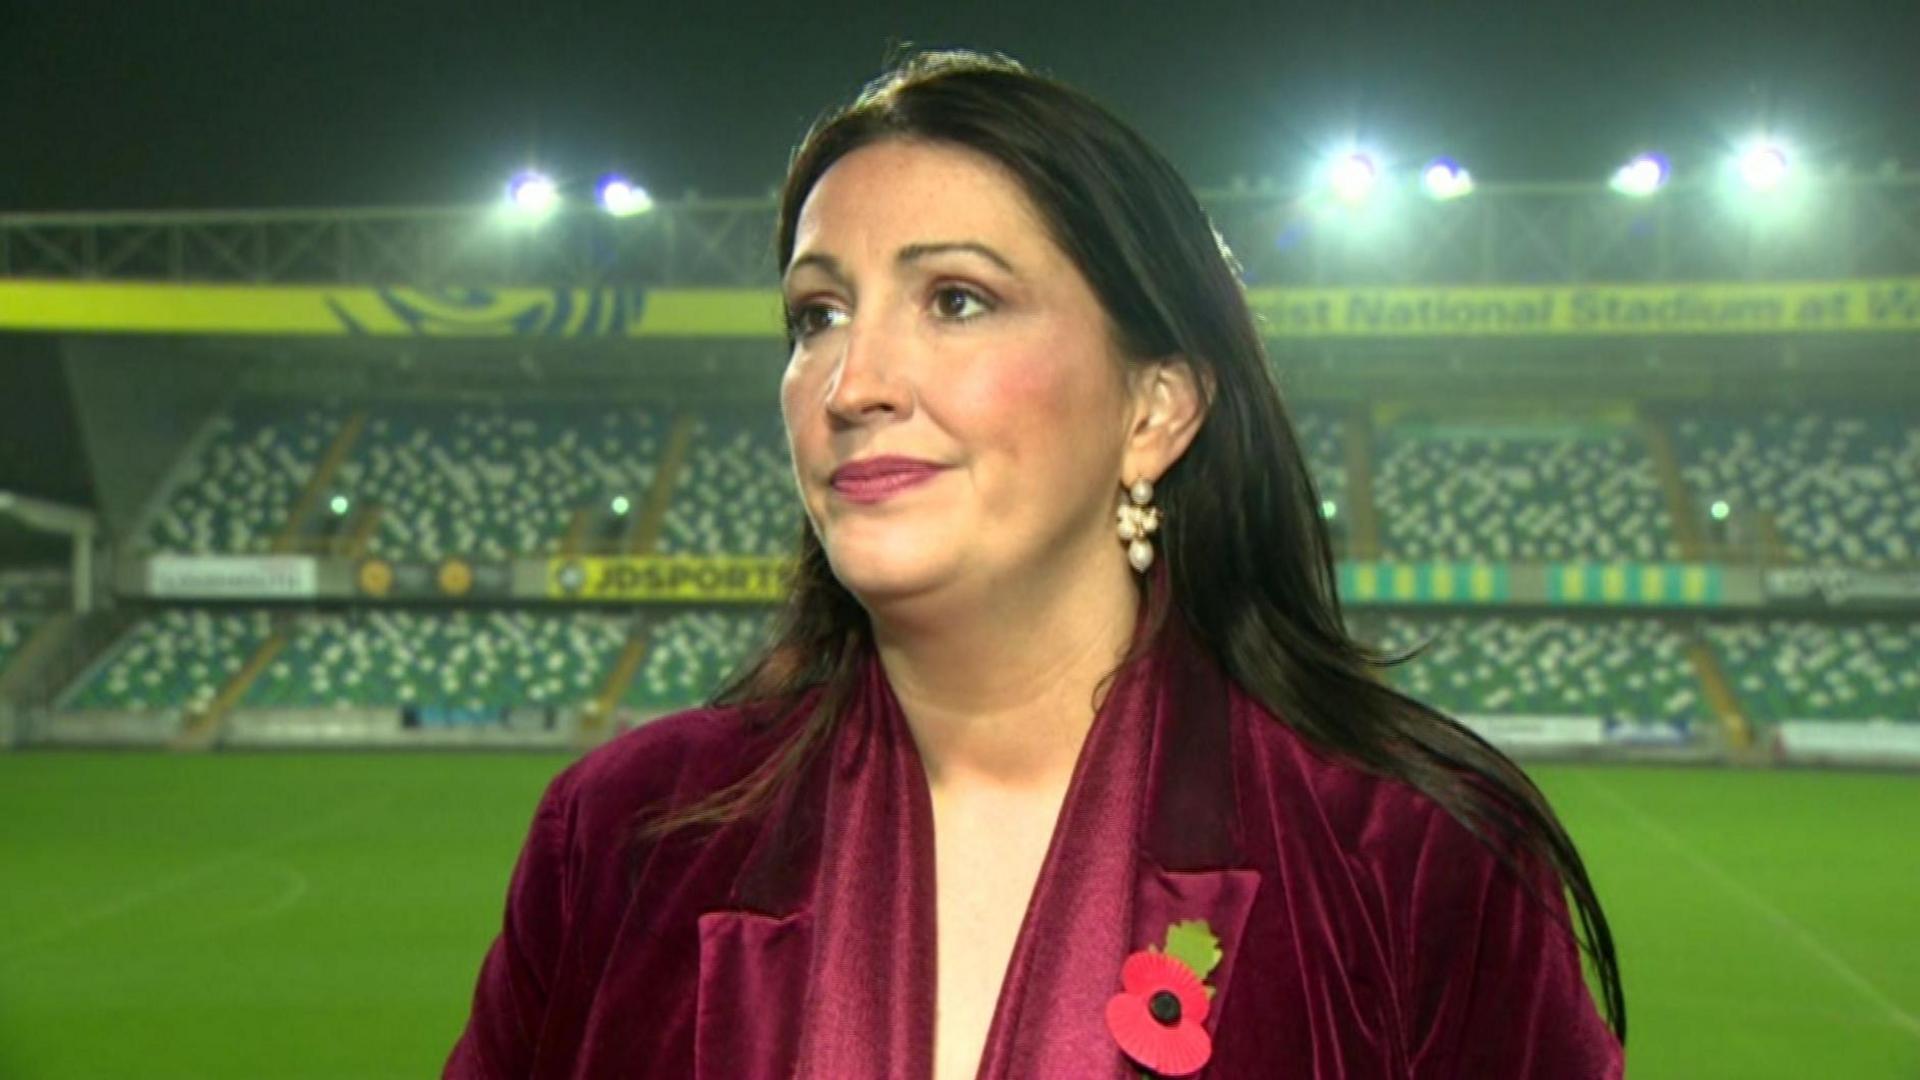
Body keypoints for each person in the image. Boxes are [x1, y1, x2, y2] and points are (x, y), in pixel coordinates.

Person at [445, 49, 1625, 1079]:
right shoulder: (620, 837)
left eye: (956, 299)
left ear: (1155, 408)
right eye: (816, 315)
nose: (853, 384)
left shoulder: (1409, 859)